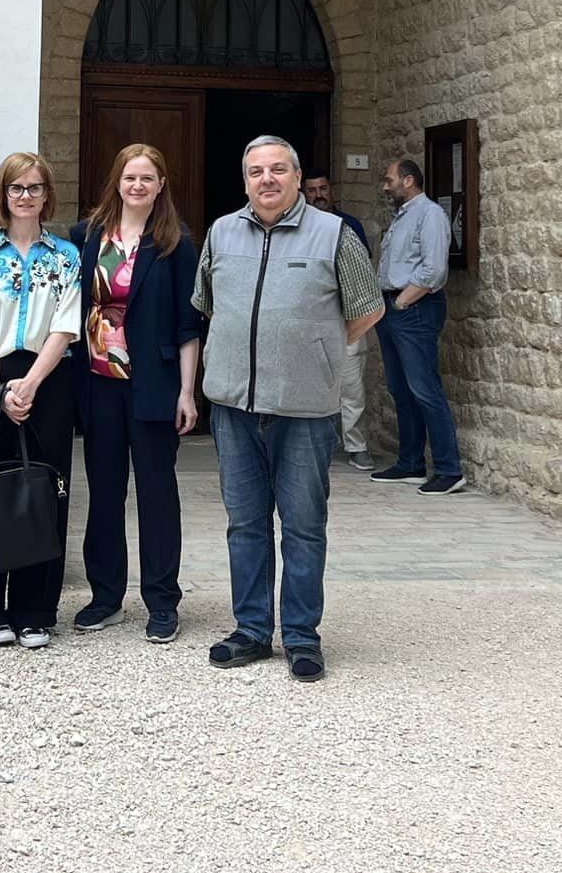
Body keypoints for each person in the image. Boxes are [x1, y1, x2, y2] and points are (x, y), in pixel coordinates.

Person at [195, 135, 384, 682]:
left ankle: (301, 635)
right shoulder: (221, 232)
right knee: (246, 524)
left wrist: (314, 347)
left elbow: (367, 309)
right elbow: (205, 303)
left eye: (279, 169)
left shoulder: (334, 234)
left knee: (303, 526)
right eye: (257, 171)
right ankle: (251, 629)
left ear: (298, 178)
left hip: (304, 407)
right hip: (233, 405)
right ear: (246, 180)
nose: (268, 180)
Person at [69, 143, 202, 645]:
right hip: (98, 384)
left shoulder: (175, 244)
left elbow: (190, 325)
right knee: (103, 492)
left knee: (157, 494)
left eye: (148, 178)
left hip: (155, 386)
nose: (138, 186)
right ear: (117, 182)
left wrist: (187, 393)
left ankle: (162, 601)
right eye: (130, 178)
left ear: (161, 185)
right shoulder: (86, 237)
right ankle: (105, 597)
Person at [0, 153, 83, 648]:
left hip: (48, 378)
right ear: (3, 195)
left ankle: (34, 610)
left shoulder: (66, 255)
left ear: (47, 195)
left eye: (34, 187)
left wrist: (29, 384)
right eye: (16, 188)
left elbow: (65, 326)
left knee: (43, 492)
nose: (25, 195)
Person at [369, 156, 464, 495]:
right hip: (394, 308)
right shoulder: (402, 217)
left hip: (414, 308)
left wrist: (402, 301)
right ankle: (410, 463)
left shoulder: (431, 215)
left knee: (425, 389)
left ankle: (449, 469)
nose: (385, 185)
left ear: (408, 181)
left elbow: (433, 269)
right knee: (401, 388)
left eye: (389, 179)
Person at [303, 170, 375, 473]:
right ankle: (312, 443)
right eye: (311, 190)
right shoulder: (295, 227)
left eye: (323, 188)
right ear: (301, 194)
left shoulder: (350, 227)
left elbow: (364, 274)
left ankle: (356, 445)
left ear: (332, 192)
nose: (318, 194)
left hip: (346, 318)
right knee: (307, 383)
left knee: (351, 383)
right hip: (306, 320)